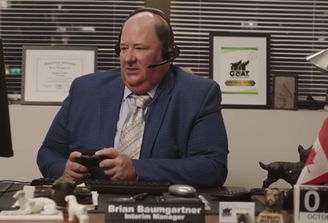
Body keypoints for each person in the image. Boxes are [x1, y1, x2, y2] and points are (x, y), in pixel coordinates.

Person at [37, 7, 228, 187]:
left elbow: (212, 167)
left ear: (168, 53)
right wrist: (64, 169)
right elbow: (48, 153)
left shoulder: (198, 94)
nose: (128, 58)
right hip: (91, 207)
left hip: (159, 210)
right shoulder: (85, 89)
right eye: (123, 48)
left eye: (140, 48)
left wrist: (137, 170)